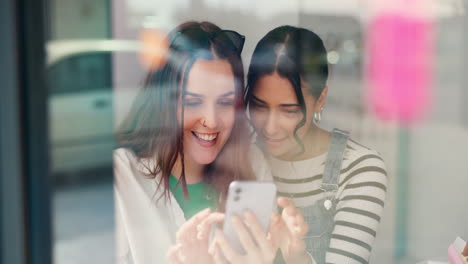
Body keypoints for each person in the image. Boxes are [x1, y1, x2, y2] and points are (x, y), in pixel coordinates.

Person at [114, 21, 291, 264]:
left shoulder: (251, 165)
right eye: (193, 102)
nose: (211, 120)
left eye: (225, 102)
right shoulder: (121, 177)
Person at [245, 25, 388, 264]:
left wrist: (298, 258)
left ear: (320, 100)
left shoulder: (359, 168)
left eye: (289, 111)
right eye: (259, 106)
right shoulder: (244, 158)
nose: (269, 127)